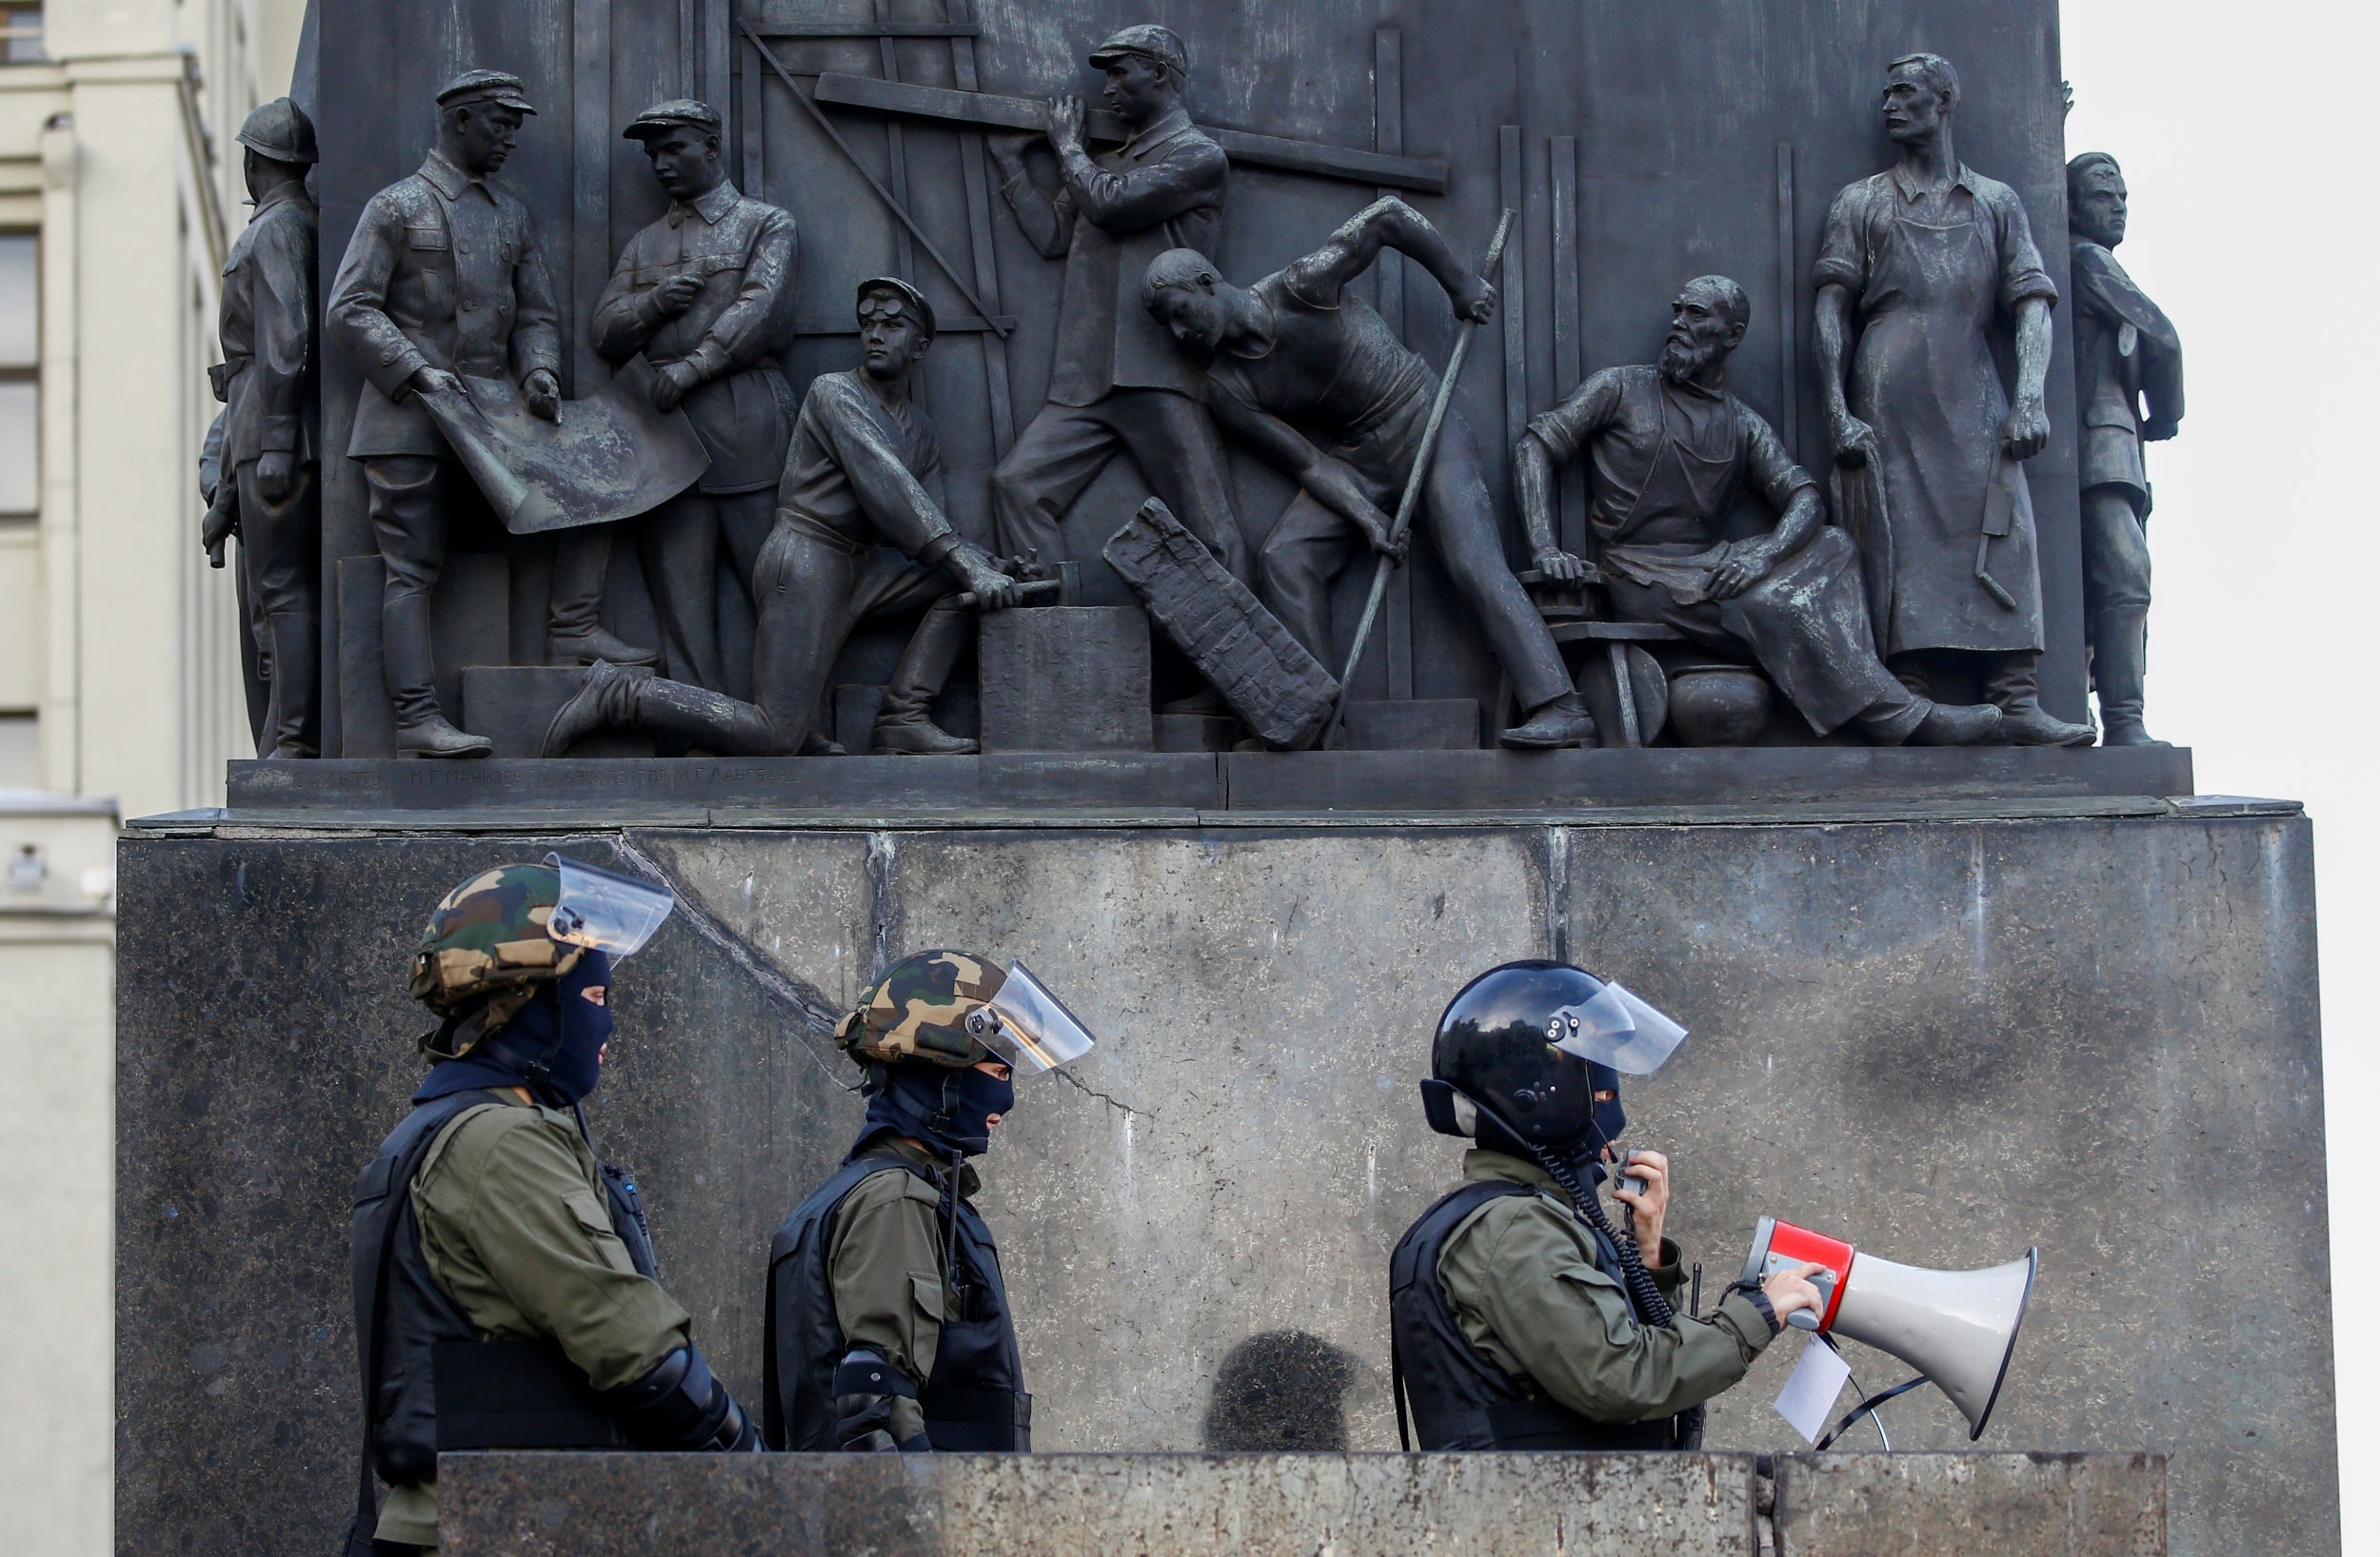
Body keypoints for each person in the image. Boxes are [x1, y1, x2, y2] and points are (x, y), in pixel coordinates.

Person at [347, 857, 758, 1556]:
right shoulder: (499, 1140)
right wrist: (749, 1460)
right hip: (503, 1521)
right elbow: (632, 1346)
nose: (608, 1026)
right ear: (527, 1003)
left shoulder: (447, 1125)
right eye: (593, 1000)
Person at [1140, 202, 1597, 748]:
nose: (1177, 331)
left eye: (1179, 311)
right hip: (1360, 458)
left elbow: (1388, 217)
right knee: (1286, 556)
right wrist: (1367, 517)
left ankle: (1562, 706)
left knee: (1472, 560)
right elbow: (1311, 463)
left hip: (1425, 418)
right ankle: (1315, 723)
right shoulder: (1228, 390)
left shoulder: (1300, 287)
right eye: (1164, 324)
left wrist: (1459, 284)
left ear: (1207, 283)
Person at [541, 279, 1022, 759]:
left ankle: (904, 717)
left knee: (955, 581)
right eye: (869, 324)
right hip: (809, 561)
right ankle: (620, 695)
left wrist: (992, 566)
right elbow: (888, 485)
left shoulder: (920, 430)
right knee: (775, 735)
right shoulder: (834, 393)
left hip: (864, 568)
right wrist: (965, 560)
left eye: (892, 326)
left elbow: (930, 516)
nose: (875, 334)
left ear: (920, 346)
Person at [1515, 276, 2002, 746]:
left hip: (1714, 564)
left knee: (1836, 544)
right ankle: (1900, 719)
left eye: (1697, 314)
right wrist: (1544, 545)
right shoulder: (1618, 388)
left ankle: (1871, 688)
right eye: (1678, 311)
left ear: (1733, 334)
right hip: (1641, 573)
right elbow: (1535, 447)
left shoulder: (1742, 422)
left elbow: (1804, 496)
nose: (1680, 323)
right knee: (1777, 603)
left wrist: (1765, 555)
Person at [327, 69, 654, 759]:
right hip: (411, 416)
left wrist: (538, 371)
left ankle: (574, 626)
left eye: (516, 126)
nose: (510, 138)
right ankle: (416, 717)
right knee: (410, 570)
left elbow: (537, 310)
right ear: (460, 122)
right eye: (500, 124)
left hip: (497, 411)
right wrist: (416, 370)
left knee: (603, 473)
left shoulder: (509, 212)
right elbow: (351, 308)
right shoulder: (397, 207)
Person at [1390, 960, 1830, 1450]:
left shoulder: (1529, 1216)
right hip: (1537, 1517)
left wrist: (1646, 1260)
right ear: (1536, 1089)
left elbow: (1635, 1371)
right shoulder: (1513, 1230)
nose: (1608, 1089)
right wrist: (1757, 1314)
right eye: (1594, 1063)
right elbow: (1620, 1379)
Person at [1813, 53, 2095, 746]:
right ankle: (1910, 693)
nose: (1891, 105)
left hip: (1973, 384)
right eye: (1886, 94)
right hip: (1888, 385)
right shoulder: (1862, 201)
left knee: (2008, 526)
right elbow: (1830, 309)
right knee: (1900, 535)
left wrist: (2031, 396)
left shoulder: (1995, 202)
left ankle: (2016, 695)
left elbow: (2032, 305)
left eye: (1905, 93)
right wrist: (1834, 409)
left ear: (1944, 104)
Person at [763, 950, 1099, 1452]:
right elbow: (875, 1401)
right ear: (939, 1068)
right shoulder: (893, 1198)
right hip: (918, 1514)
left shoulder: (881, 1192)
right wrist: (924, 1519)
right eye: (998, 1072)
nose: (1004, 1103)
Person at [987, 25, 1245, 582]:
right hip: (1085, 378)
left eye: (1119, 71)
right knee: (1019, 485)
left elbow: (1110, 206)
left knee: (1212, 535)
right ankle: (1055, 636)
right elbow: (1055, 235)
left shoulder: (1196, 157)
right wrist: (1012, 166)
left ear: (1160, 74)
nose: (1107, 88)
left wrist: (1067, 145)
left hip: (1154, 371)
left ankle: (1244, 664)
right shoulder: (1109, 160)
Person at [594, 99, 801, 694]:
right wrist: (653, 304)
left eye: (674, 148)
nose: (661, 164)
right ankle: (699, 718)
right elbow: (604, 330)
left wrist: (696, 364)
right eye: (653, 154)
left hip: (743, 416)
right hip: (664, 433)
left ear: (712, 147)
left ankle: (790, 718)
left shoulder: (765, 223)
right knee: (680, 594)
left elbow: (762, 308)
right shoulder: (644, 245)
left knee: (773, 579)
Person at [212, 96, 321, 759]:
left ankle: (291, 739)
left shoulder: (278, 229)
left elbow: (288, 339)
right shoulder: (292, 223)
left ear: (256, 162)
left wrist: (276, 440)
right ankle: (285, 729)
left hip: (273, 433)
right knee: (273, 592)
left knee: (281, 590)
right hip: (256, 427)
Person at [2067, 152, 2182, 747]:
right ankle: (2125, 723)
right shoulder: (2089, 260)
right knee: (2125, 578)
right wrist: (2168, 413)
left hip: (2116, 451)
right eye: (2102, 195)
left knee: (2106, 585)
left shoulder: (2096, 262)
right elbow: (2162, 335)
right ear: (2070, 205)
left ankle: (2109, 717)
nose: (2117, 206)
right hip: (2099, 444)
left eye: (2123, 196)